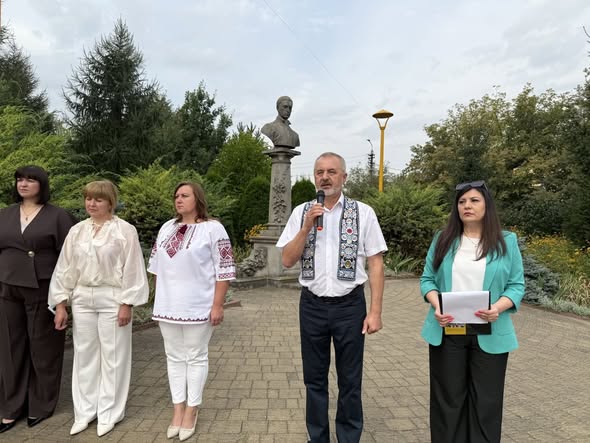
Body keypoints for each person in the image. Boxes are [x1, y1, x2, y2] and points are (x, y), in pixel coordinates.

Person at [277, 152, 387, 443]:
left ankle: (348, 437)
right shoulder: (301, 212)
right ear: (314, 177)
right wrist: (306, 228)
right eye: (319, 172)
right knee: (314, 378)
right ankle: (318, 437)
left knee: (350, 379)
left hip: (350, 306)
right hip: (312, 305)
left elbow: (376, 262)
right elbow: (287, 260)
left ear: (344, 177)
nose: (324, 177)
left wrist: (375, 312)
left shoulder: (363, 212)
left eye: (331, 172)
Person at [420, 180, 525, 443]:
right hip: (448, 329)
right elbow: (427, 280)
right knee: (448, 401)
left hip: (490, 330)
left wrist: (497, 308)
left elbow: (516, 285)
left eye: (474, 200)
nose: (467, 206)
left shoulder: (506, 241)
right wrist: (437, 304)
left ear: (487, 205)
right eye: (462, 201)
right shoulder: (443, 239)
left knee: (486, 402)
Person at [48, 180, 149, 437]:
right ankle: (84, 411)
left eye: (98, 199)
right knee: (84, 355)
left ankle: (109, 413)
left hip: (112, 298)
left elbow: (133, 268)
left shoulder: (124, 231)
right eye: (88, 198)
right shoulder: (77, 231)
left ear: (110, 202)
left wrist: (127, 303)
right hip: (82, 297)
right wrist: (61, 304)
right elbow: (64, 268)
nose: (91, 203)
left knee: (113, 356)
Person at [148, 182, 235, 441]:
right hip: (168, 306)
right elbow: (157, 268)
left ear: (197, 199)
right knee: (173, 357)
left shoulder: (213, 228)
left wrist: (218, 305)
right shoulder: (167, 227)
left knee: (195, 357)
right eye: (176, 195)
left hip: (199, 306)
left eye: (185, 195)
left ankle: (192, 409)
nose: (179, 199)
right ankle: (177, 409)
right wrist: (159, 300)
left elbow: (224, 269)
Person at [0, 165, 75, 433]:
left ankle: (41, 404)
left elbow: (69, 260)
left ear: (42, 185)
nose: (23, 184)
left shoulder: (59, 216)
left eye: (30, 180)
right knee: (10, 349)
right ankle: (11, 407)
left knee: (43, 348)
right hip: (8, 287)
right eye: (20, 179)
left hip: (43, 288)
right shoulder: (5, 214)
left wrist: (62, 300)